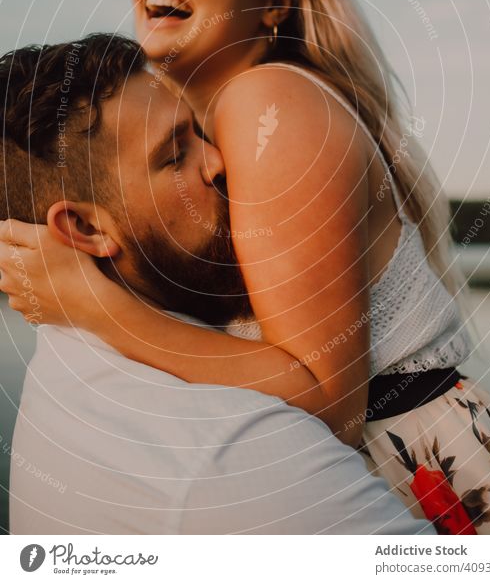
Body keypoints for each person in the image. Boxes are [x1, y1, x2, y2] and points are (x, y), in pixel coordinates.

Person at [1, 0, 490, 534]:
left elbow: (325, 397)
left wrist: (95, 304)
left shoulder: (268, 102)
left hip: (417, 471)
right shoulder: (220, 117)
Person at [1, 34, 430, 535]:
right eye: (175, 156)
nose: (222, 161)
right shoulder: (223, 453)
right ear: (87, 229)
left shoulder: (72, 369)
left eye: (200, 132)